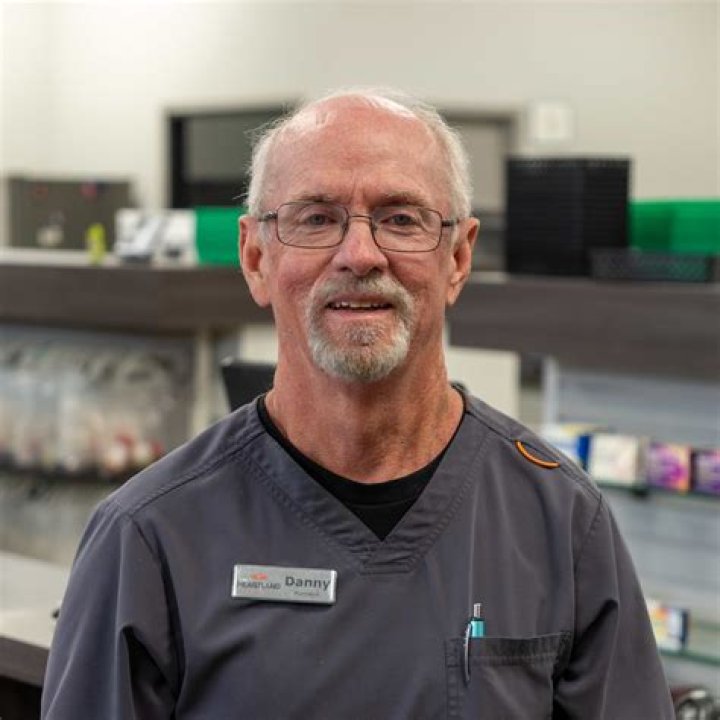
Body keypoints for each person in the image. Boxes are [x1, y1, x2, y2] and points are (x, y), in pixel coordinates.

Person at [41, 88, 674, 719]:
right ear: (256, 257)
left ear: (458, 258)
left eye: (401, 218)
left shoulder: (560, 521)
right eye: (317, 218)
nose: (361, 255)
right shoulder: (148, 537)